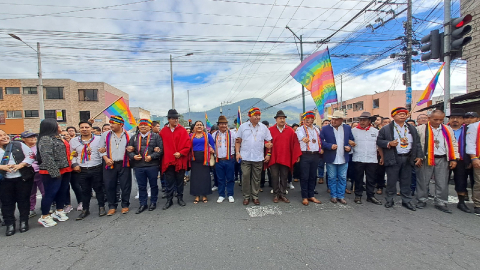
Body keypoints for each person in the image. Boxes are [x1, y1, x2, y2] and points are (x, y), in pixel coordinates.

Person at [377, 107, 423, 211]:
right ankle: (390, 199)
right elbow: (379, 141)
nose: (402, 115)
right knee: (391, 180)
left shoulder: (411, 128)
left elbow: (417, 143)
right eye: (399, 114)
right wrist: (389, 143)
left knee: (406, 180)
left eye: (404, 114)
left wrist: (419, 156)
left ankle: (406, 200)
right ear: (393, 116)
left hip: (408, 157)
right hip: (393, 157)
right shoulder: (386, 128)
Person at [415, 110, 458, 213]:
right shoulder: (420, 129)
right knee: (423, 180)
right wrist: (418, 157)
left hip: (442, 158)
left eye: (441, 120)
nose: (438, 122)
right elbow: (416, 145)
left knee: (442, 182)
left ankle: (441, 202)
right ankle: (422, 200)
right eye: (436, 119)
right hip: (426, 158)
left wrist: (454, 158)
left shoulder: (447, 129)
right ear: (429, 118)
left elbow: (453, 143)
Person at [37, 119, 72, 228]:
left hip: (65, 168)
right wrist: (54, 172)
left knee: (62, 191)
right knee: (50, 193)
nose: (60, 126)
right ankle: (44, 216)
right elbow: (46, 156)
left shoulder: (58, 137)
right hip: (52, 170)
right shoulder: (45, 139)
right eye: (57, 124)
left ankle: (59, 210)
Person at [0, 130, 35, 236]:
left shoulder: (18, 144)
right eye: (0, 136)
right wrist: (2, 167)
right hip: (4, 180)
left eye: (5, 134)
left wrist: (20, 165)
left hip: (22, 178)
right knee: (7, 203)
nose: (4, 137)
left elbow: (31, 156)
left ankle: (24, 222)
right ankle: (10, 224)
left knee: (23, 201)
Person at [235, 107, 273, 205]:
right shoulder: (243, 127)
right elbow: (237, 141)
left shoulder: (263, 127)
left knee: (256, 178)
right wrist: (237, 153)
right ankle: (246, 197)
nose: (257, 117)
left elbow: (269, 141)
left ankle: (255, 196)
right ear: (250, 116)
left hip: (258, 157)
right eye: (255, 115)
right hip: (245, 157)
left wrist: (268, 151)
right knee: (246, 177)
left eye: (259, 115)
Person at [70, 121, 106, 220]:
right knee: (85, 191)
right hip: (82, 169)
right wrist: (74, 164)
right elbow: (72, 154)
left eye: (87, 127)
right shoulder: (74, 141)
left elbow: (105, 150)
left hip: (96, 167)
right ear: (79, 129)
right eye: (82, 127)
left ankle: (101, 207)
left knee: (99, 189)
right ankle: (85, 209)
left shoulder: (99, 139)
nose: (84, 129)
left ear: (91, 129)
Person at [127, 119, 163, 213]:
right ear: (138, 127)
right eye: (141, 125)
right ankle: (143, 203)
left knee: (153, 185)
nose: (143, 127)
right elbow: (129, 151)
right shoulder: (134, 138)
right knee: (141, 186)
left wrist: (151, 156)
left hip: (152, 165)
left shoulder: (156, 137)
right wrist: (134, 156)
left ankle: (153, 202)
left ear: (150, 127)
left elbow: (161, 150)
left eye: (145, 125)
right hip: (138, 166)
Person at [99, 116, 133, 215]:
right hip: (110, 163)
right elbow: (101, 149)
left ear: (121, 124)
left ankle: (125, 205)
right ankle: (112, 206)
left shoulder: (129, 135)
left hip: (124, 163)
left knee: (125, 185)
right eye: (110, 123)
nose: (111, 125)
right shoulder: (105, 134)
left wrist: (132, 149)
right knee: (109, 185)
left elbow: (132, 148)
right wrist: (106, 159)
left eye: (113, 123)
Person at [267, 110, 302, 203]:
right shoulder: (270, 130)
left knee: (284, 176)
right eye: (280, 118)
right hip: (274, 157)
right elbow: (266, 141)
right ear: (276, 120)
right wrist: (268, 152)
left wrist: (297, 155)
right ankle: (275, 194)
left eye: (283, 118)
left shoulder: (290, 130)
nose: (282, 120)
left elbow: (295, 143)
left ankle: (282, 194)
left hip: (286, 157)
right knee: (274, 176)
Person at [160, 109, 191, 210]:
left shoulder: (182, 130)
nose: (176, 120)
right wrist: (157, 148)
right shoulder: (163, 131)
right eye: (173, 118)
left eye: (177, 118)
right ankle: (169, 200)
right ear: (169, 119)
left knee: (179, 181)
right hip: (168, 161)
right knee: (169, 181)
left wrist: (181, 153)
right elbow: (159, 145)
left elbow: (188, 145)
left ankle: (180, 198)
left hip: (180, 160)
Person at [321, 111, 354, 204]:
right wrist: (329, 146)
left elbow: (352, 140)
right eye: (333, 119)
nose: (333, 121)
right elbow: (321, 141)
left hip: (343, 157)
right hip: (331, 157)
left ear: (341, 120)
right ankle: (333, 196)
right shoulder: (325, 129)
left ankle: (341, 196)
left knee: (343, 178)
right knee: (331, 177)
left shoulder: (347, 128)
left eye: (336, 119)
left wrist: (349, 147)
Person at [351, 112, 383, 205]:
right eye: (360, 120)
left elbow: (379, 145)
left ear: (369, 121)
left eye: (364, 120)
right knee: (358, 178)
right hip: (358, 158)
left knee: (371, 178)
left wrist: (382, 157)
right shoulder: (353, 131)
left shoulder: (375, 131)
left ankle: (370, 196)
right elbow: (348, 141)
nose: (362, 122)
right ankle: (358, 195)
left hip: (372, 158)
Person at [448, 109, 471, 213]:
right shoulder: (444, 129)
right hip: (446, 159)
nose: (455, 120)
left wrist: (470, 159)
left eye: (458, 118)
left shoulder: (468, 130)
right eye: (453, 118)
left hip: (462, 159)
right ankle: (441, 200)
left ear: (463, 120)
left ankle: (461, 202)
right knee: (443, 180)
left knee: (461, 181)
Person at [189, 121, 215, 203]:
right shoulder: (191, 136)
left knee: (205, 177)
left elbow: (213, 146)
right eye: (197, 125)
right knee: (195, 177)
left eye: (201, 125)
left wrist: (212, 149)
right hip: (194, 159)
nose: (199, 126)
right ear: (194, 127)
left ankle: (204, 195)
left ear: (203, 127)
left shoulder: (208, 136)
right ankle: (196, 195)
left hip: (205, 159)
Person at [212, 116, 236, 203]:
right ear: (218, 125)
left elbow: (236, 145)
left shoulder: (232, 134)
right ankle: (221, 195)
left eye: (225, 124)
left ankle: (230, 194)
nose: (223, 126)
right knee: (220, 179)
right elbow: (211, 145)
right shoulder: (214, 134)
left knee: (230, 178)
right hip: (218, 160)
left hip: (229, 159)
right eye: (221, 124)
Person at [21, 132, 43, 218]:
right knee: (30, 192)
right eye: (30, 137)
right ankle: (31, 209)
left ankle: (45, 206)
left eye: (34, 136)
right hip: (27, 173)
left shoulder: (39, 147)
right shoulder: (20, 148)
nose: (33, 138)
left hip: (39, 172)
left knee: (44, 191)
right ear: (23, 139)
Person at [465, 114, 480, 216]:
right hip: (478, 158)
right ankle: (478, 204)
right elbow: (470, 143)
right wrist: (474, 158)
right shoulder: (475, 126)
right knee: (479, 182)